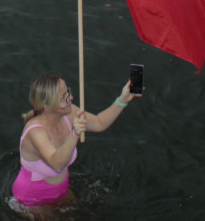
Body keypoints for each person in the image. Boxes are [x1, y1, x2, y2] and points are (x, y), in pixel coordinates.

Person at [11, 74, 139, 211]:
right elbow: (57, 164)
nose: (70, 98)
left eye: (68, 92)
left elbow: (99, 123)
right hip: (33, 199)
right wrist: (75, 133)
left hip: (61, 189)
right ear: (47, 106)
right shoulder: (36, 132)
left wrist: (122, 99)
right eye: (64, 97)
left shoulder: (69, 112)